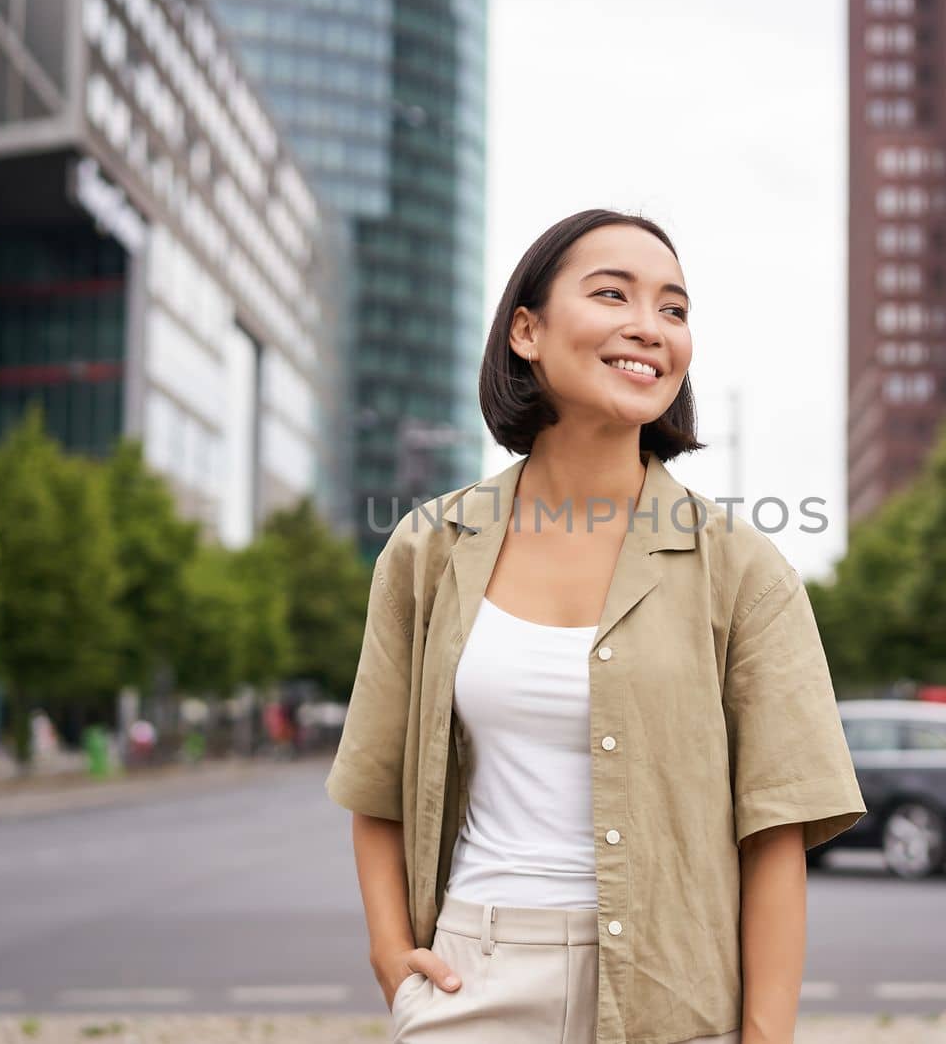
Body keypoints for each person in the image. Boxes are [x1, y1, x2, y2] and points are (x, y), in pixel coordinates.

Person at [326, 208, 866, 1044]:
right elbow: (377, 778)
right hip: (476, 977)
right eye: (613, 294)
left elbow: (777, 833)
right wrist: (391, 952)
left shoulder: (743, 570)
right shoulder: (430, 550)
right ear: (527, 331)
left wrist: (765, 1036)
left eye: (674, 309)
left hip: (675, 997)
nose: (649, 327)